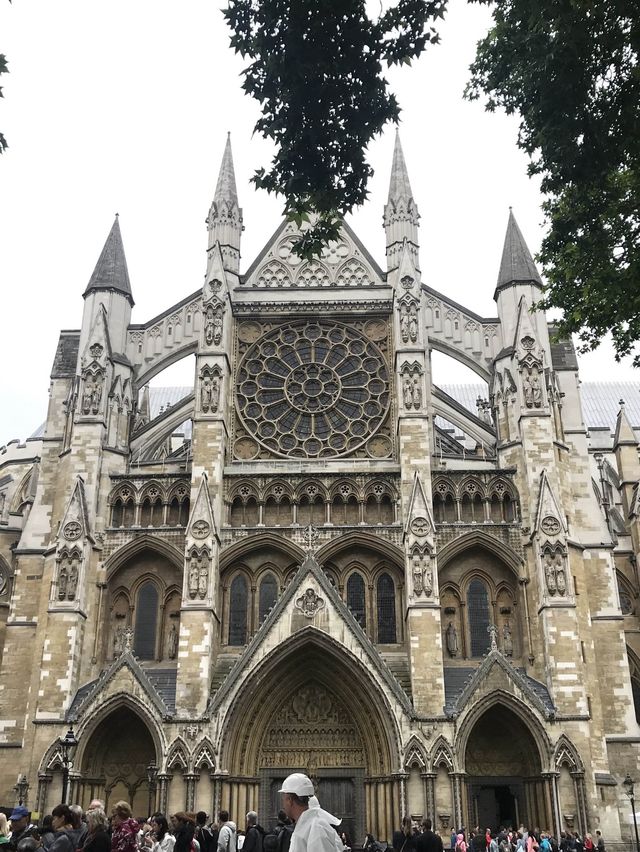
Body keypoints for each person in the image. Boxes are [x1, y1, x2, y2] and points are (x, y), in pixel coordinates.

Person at [278, 772, 340, 852]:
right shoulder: (303, 827)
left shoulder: (316, 829)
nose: (283, 804)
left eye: (283, 799)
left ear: (290, 800)